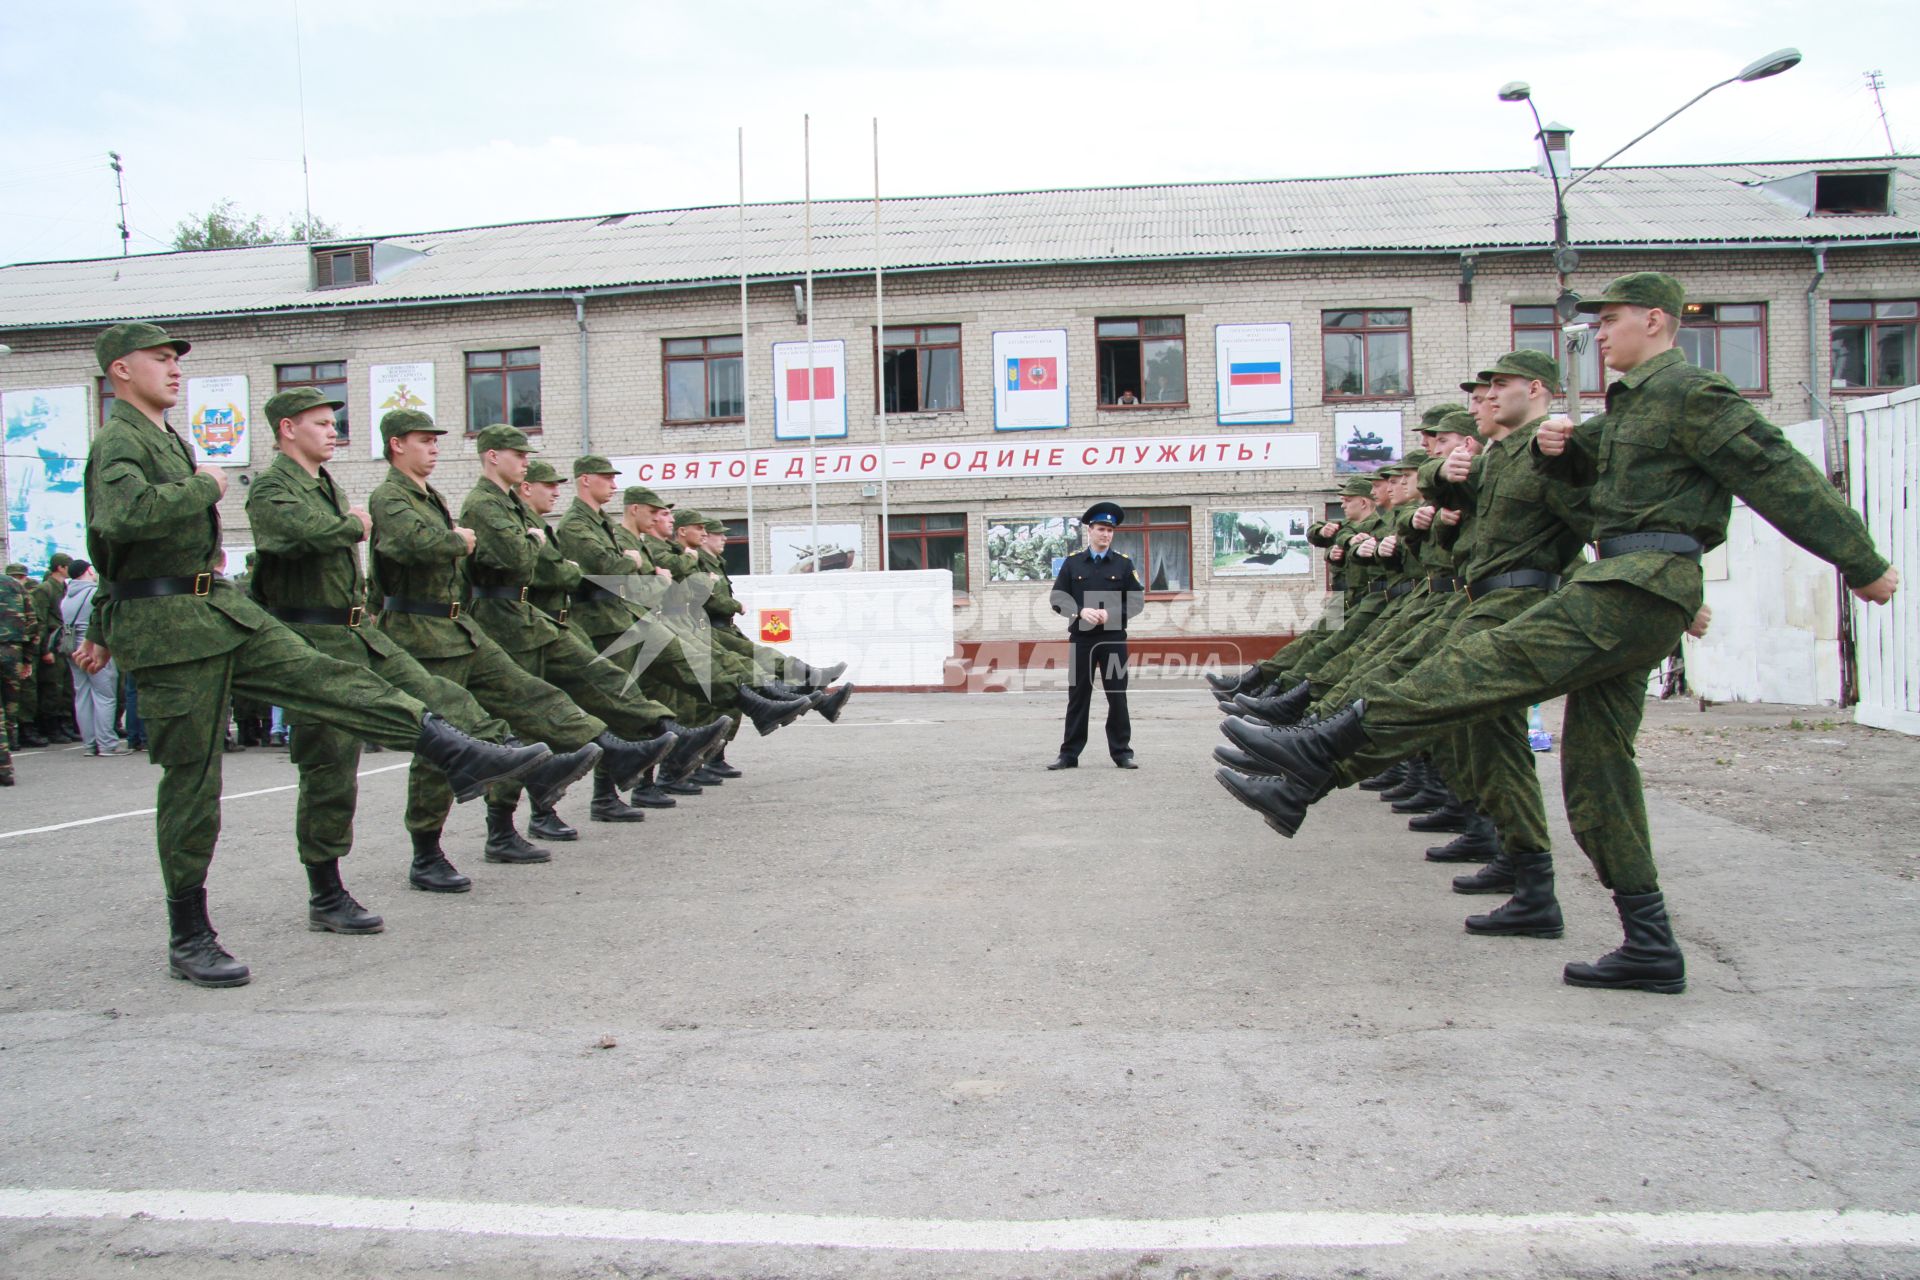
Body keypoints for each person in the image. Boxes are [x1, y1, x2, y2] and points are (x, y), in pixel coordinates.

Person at [1214, 274, 1901, 994]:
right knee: (1596, 769)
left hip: (1635, 589)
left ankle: (1317, 756)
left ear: (1657, 322)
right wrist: (1562, 451)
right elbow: (1586, 504)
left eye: (1610, 321)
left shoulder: (1693, 394)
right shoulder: (1623, 411)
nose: (1599, 335)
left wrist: (1859, 562)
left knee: (1482, 668)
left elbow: (1777, 474)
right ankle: (1650, 943)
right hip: (1633, 585)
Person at [79, 322, 555, 988]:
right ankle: (189, 932)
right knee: (193, 784)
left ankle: (451, 747)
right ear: (121, 371)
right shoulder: (118, 440)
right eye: (159, 360)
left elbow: (119, 551)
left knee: (326, 679)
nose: (174, 369)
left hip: (215, 608)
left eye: (175, 360)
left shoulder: (164, 438)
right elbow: (119, 526)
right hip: (166, 628)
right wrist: (206, 488)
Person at [246, 387, 601, 905]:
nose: (332, 431)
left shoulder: (334, 486)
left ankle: (540, 763)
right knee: (331, 767)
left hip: (365, 632)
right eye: (321, 423)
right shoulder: (289, 488)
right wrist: (369, 528)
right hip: (320, 638)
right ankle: (328, 890)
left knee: (445, 713)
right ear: (287, 428)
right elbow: (306, 539)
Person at [366, 409, 694, 869]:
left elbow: (521, 560)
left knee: (532, 700)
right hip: (427, 629)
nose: (435, 447)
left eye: (436, 440)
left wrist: (516, 546)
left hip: (463, 623)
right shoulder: (404, 497)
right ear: (398, 444)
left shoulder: (436, 497)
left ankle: (610, 750)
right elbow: (506, 558)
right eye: (424, 440)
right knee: (444, 741)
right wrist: (477, 541)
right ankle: (429, 851)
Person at [455, 424, 729, 856]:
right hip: (507, 623)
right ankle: (504, 827)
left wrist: (553, 558)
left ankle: (649, 743)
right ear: (494, 458)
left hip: (535, 620)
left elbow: (560, 567)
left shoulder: (521, 515)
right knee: (525, 724)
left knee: (573, 706)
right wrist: (556, 559)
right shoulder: (489, 507)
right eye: (540, 479)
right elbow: (553, 569)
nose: (548, 488)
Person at [1046, 501, 1144, 770]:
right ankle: (1069, 754)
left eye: (1110, 530)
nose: (1106, 534)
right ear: (1089, 530)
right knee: (1078, 695)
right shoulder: (1073, 563)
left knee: (1117, 695)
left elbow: (1136, 602)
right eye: (1101, 529)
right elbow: (1056, 598)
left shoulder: (1123, 564)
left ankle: (1122, 752)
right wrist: (1078, 611)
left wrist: (1110, 614)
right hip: (1082, 640)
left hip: (1112, 640)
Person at [57, 560, 127, 756]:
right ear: (88, 571)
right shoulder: (93, 594)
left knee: (82, 696)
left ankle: (89, 744)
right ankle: (107, 744)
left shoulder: (66, 597)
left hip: (72, 649)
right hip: (93, 647)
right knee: (105, 696)